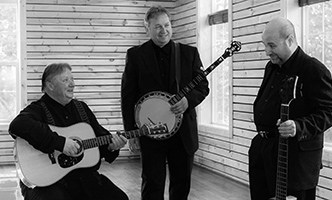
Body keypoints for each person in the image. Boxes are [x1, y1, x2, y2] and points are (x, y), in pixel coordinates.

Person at [121, 5, 209, 200]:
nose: (164, 30)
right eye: (158, 27)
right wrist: (130, 132)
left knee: (181, 183)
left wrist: (188, 101)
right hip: (150, 130)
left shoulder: (189, 53)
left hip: (183, 131)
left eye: (167, 25)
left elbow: (203, 87)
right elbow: (127, 96)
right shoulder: (135, 55)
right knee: (152, 182)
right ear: (148, 28)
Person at [9, 63, 129, 200]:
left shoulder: (82, 108)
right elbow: (17, 125)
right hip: (46, 183)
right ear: (50, 85)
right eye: (65, 80)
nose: (72, 84)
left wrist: (112, 147)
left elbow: (100, 140)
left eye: (72, 79)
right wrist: (61, 143)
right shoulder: (38, 109)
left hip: (83, 178)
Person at [249, 17, 332, 200]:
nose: (267, 51)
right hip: (263, 150)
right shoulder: (272, 66)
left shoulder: (313, 69)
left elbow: (329, 113)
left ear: (289, 40)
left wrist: (298, 126)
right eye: (264, 45)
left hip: (294, 159)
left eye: (272, 45)